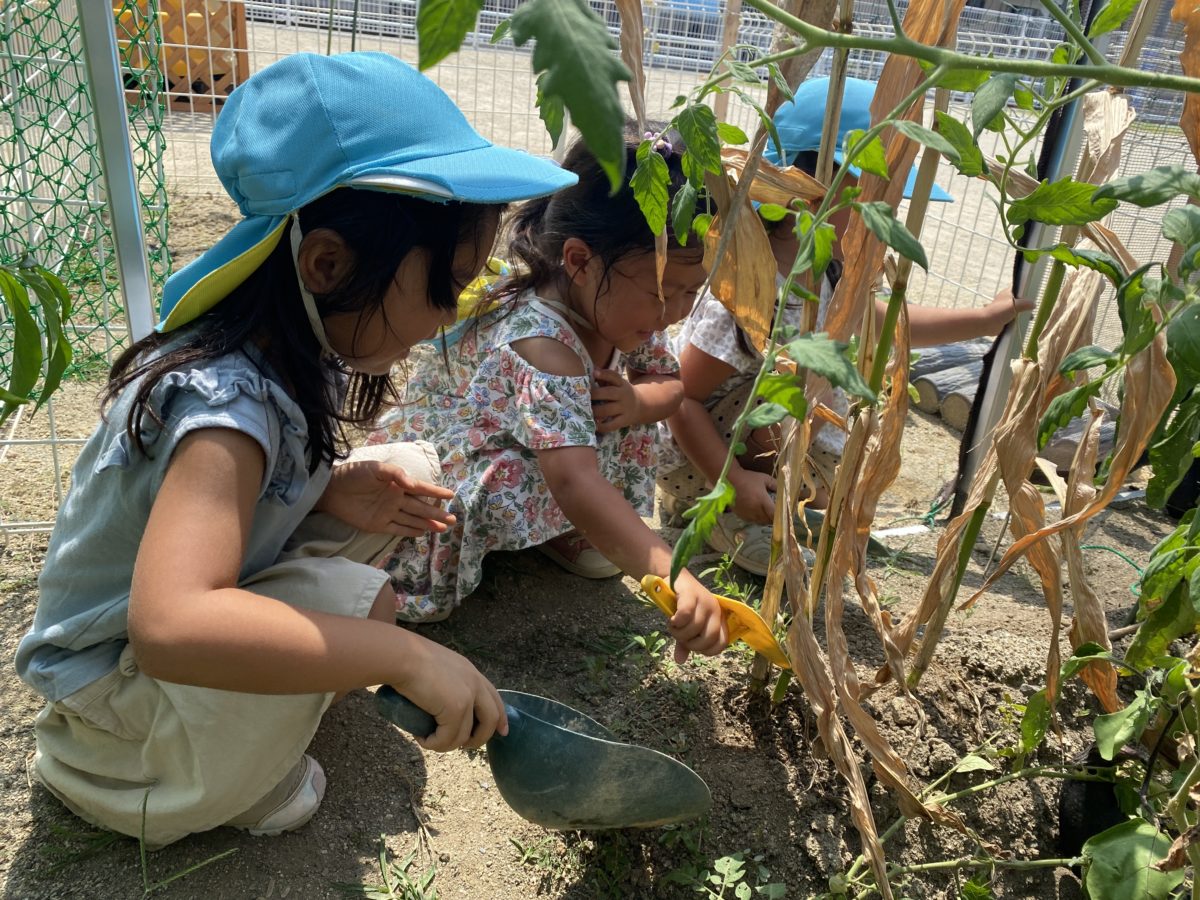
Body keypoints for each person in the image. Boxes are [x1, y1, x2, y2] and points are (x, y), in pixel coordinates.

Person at [13, 51, 578, 848]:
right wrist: (403, 656)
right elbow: (170, 624)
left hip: (160, 645)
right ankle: (156, 776)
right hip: (112, 701)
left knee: (404, 474)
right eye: (444, 287)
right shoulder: (223, 409)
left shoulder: (289, 347)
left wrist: (329, 487)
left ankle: (241, 712)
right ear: (326, 264)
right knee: (357, 625)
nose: (449, 316)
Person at [369, 128, 729, 664]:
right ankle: (549, 530)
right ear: (580, 260)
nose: (675, 311)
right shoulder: (544, 345)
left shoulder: (623, 308)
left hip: (546, 447)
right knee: (544, 469)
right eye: (663, 291)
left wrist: (639, 402)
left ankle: (568, 529)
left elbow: (669, 383)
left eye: (690, 292)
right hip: (465, 458)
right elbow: (573, 479)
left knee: (625, 418)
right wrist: (668, 572)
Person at [657, 77, 1034, 575]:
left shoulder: (829, 269)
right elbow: (681, 400)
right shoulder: (746, 288)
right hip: (707, 450)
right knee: (784, 385)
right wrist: (732, 480)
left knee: (817, 453)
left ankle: (750, 501)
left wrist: (984, 319)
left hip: (771, 445)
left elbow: (889, 324)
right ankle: (729, 509)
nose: (886, 218)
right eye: (874, 201)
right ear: (804, 192)